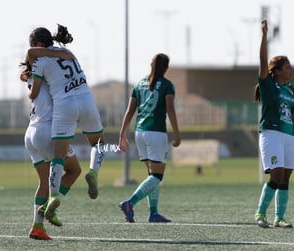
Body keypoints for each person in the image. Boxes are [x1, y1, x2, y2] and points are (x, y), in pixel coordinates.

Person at [27, 24, 106, 225]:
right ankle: (94, 172)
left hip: (63, 106)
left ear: (37, 44)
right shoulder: (67, 52)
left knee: (58, 158)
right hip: (86, 99)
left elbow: (34, 88)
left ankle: (53, 198)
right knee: (98, 144)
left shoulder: (40, 61)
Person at [20, 52, 81, 240]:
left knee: (44, 181)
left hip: (31, 133)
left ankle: (37, 226)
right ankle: (48, 207)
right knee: (74, 171)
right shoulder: (49, 71)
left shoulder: (31, 74)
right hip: (47, 131)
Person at [118, 53, 181, 223]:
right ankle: (130, 203)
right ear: (166, 68)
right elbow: (170, 110)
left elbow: (130, 111)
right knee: (157, 177)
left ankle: (153, 213)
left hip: (140, 132)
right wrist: (176, 133)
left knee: (151, 175)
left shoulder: (139, 84)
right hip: (156, 133)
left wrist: (122, 133)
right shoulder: (168, 85)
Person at [253, 19, 294, 228]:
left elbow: (293, 114)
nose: (291, 69)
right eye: (287, 66)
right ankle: (260, 213)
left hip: (288, 136)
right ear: (278, 70)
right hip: (271, 134)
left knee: (286, 178)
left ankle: (279, 218)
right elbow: (263, 60)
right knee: (277, 174)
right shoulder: (268, 84)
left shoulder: (290, 89)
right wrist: (264, 35)